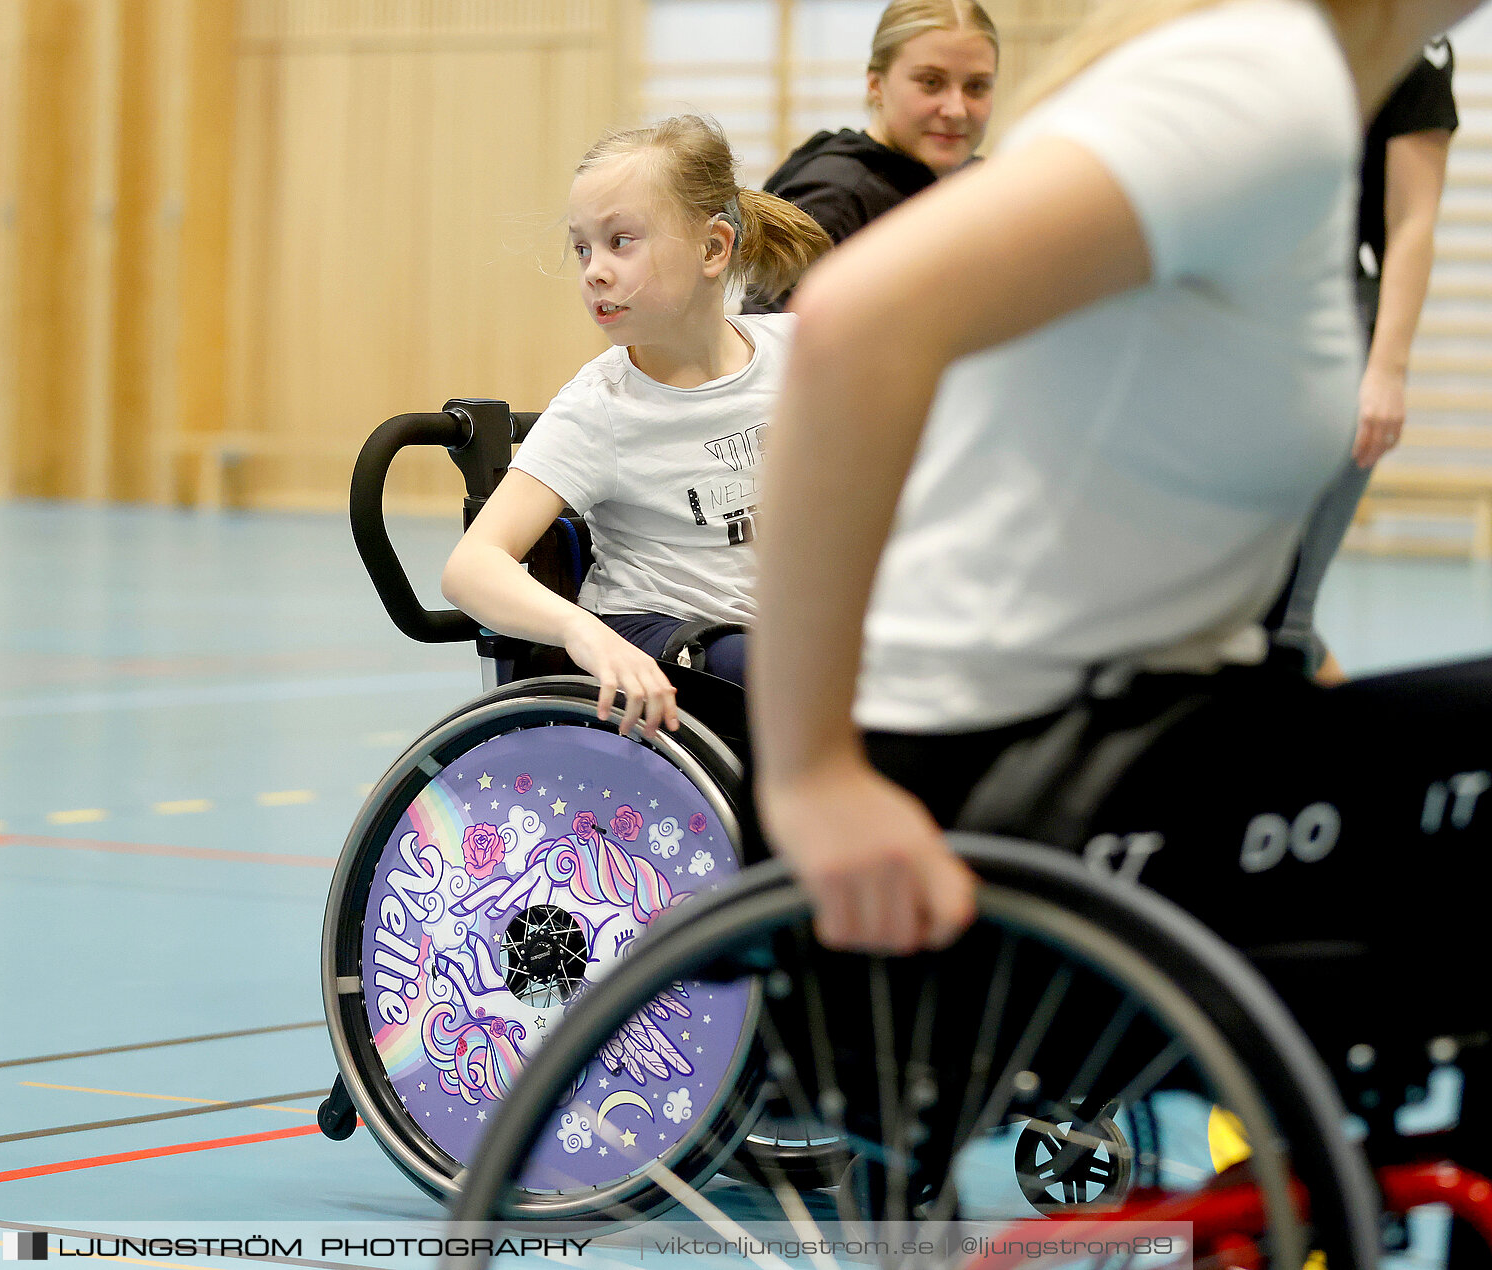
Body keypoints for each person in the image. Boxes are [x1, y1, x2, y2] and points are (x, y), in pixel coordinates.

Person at [747, 0, 1490, 1224]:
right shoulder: (1260, 80)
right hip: (991, 790)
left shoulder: (1310, 90)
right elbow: (850, 321)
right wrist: (811, 768)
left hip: (1132, 733)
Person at [441, 115, 829, 737]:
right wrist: (583, 632)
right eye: (583, 247)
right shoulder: (601, 408)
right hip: (667, 638)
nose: (594, 270)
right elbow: (471, 567)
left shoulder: (802, 354)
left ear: (713, 248)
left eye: (621, 241)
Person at [1271, 39, 1459, 679]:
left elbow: (1413, 222)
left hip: (1333, 317)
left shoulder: (1410, 39)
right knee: (1246, 617)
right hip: (1238, 309)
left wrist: (1386, 373)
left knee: (1283, 619)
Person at [745, 0, 998, 312]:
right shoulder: (835, 197)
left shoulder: (980, 183)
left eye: (976, 87)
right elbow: (769, 342)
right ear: (876, 84)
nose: (956, 110)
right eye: (931, 83)